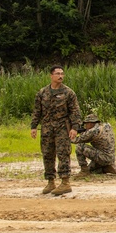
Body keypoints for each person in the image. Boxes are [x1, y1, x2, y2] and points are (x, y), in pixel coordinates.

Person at [30, 65, 81, 195]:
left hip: (62, 127)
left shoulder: (68, 93)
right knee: (47, 154)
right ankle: (50, 181)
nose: (60, 76)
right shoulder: (43, 93)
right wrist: (34, 126)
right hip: (47, 128)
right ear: (51, 76)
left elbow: (75, 111)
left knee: (63, 153)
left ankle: (65, 182)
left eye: (62, 74)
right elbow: (37, 111)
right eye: (57, 73)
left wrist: (75, 128)